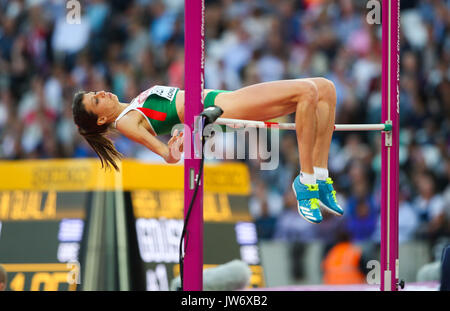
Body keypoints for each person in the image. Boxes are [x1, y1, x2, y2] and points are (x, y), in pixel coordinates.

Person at [72, 79, 343, 224]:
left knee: (326, 90)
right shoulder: (126, 121)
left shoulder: (131, 106)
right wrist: (176, 145)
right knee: (307, 92)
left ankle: (319, 176)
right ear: (100, 120)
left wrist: (177, 140)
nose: (103, 92)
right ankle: (305, 183)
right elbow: (168, 155)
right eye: (96, 100)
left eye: (96, 91)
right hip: (223, 105)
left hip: (221, 99)